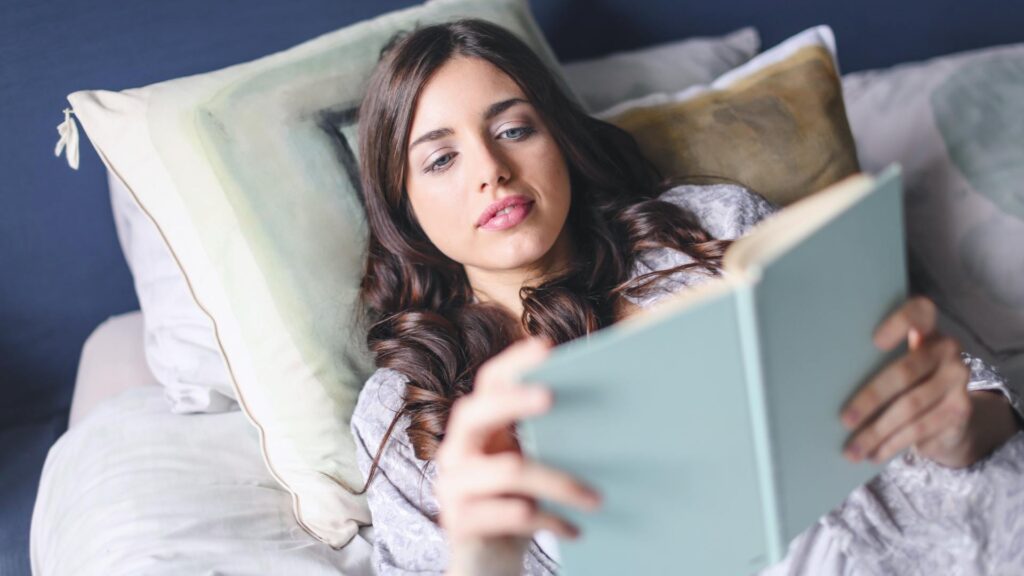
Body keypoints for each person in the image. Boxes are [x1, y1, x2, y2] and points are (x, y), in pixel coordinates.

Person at [349, 18, 1024, 576]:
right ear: (402, 207)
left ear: (557, 139)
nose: (492, 172)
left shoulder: (710, 225)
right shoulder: (404, 410)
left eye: (514, 129)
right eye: (442, 159)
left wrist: (962, 425)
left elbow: (974, 402)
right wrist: (484, 560)